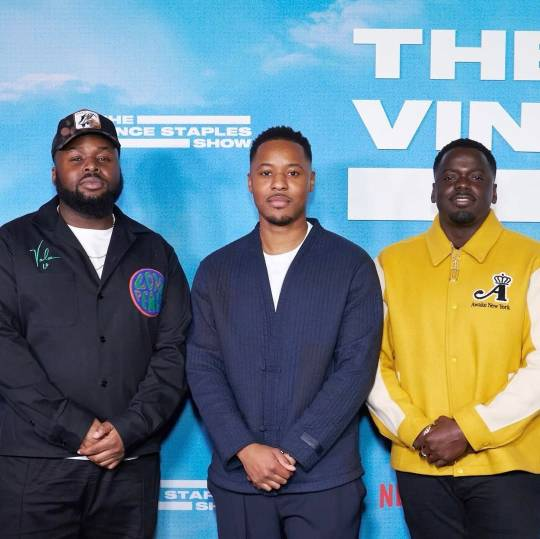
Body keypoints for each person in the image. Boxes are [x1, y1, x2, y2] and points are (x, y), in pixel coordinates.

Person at [0, 109, 191, 538]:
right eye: (76, 158)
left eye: (104, 156)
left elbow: (174, 351)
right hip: (36, 468)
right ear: (54, 173)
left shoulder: (155, 251)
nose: (91, 166)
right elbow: (3, 346)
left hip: (130, 468)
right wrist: (73, 426)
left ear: (118, 169)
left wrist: (128, 430)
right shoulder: (11, 244)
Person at [187, 126, 382, 539]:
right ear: (250, 182)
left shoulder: (351, 265)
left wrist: (295, 450)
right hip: (240, 478)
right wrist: (244, 448)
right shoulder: (217, 269)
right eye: (266, 172)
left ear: (310, 181)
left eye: (293, 173)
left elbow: (356, 369)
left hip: (323, 480)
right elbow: (203, 366)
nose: (279, 183)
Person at [367, 138, 540, 538]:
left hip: (509, 466)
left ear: (494, 191)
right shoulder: (391, 263)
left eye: (476, 176)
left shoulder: (530, 260)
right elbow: (372, 363)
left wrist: (468, 429)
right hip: (422, 465)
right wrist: (414, 430)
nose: (462, 184)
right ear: (433, 190)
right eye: (450, 176)